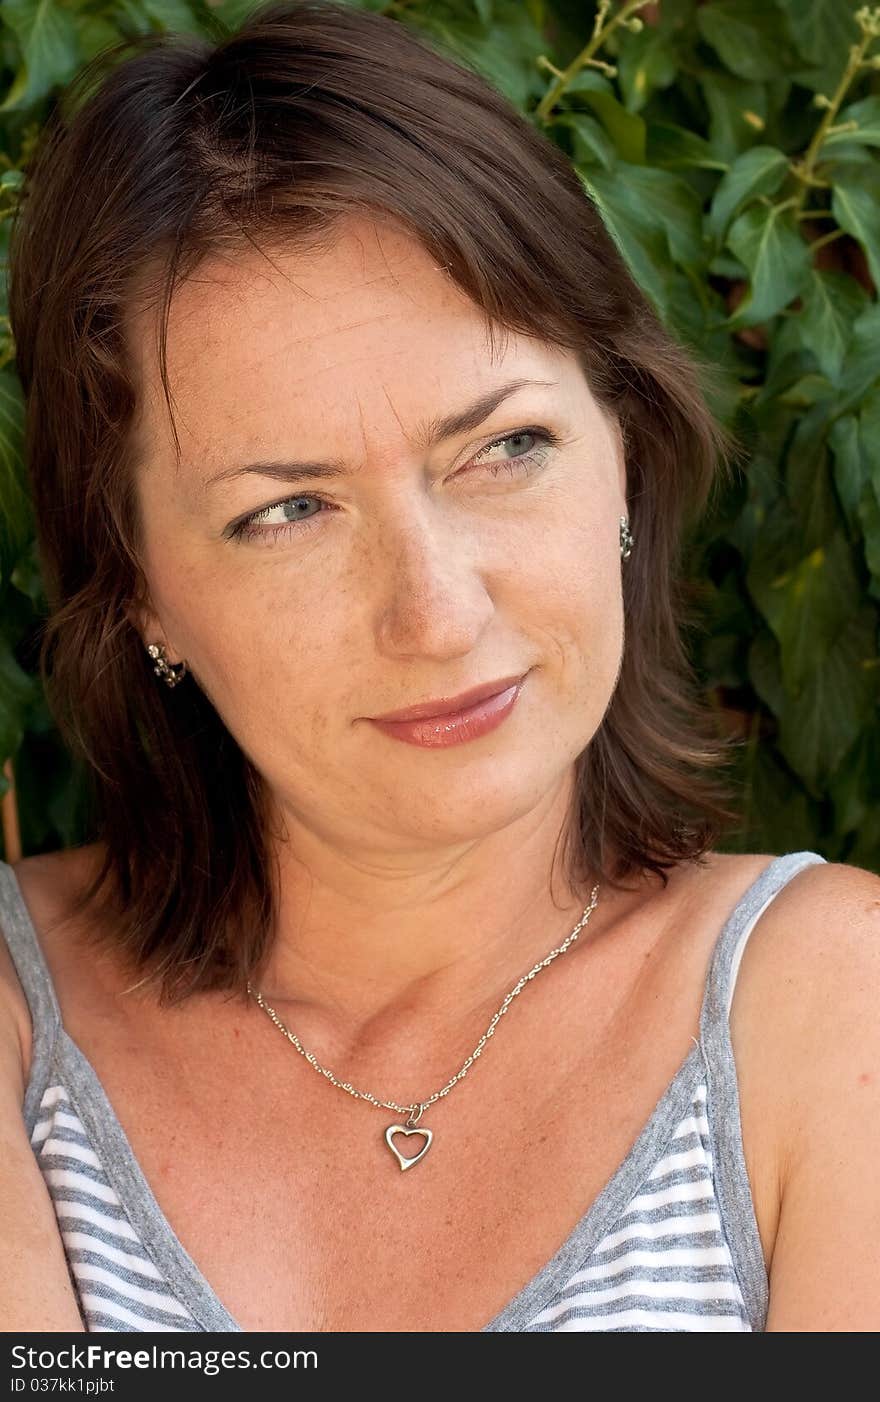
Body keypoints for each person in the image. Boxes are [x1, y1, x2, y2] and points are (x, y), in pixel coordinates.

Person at [0, 0, 877, 1335]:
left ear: (624, 452)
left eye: (506, 447)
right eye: (284, 510)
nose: (438, 612)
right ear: (140, 598)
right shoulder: (17, 1013)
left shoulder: (837, 1008)